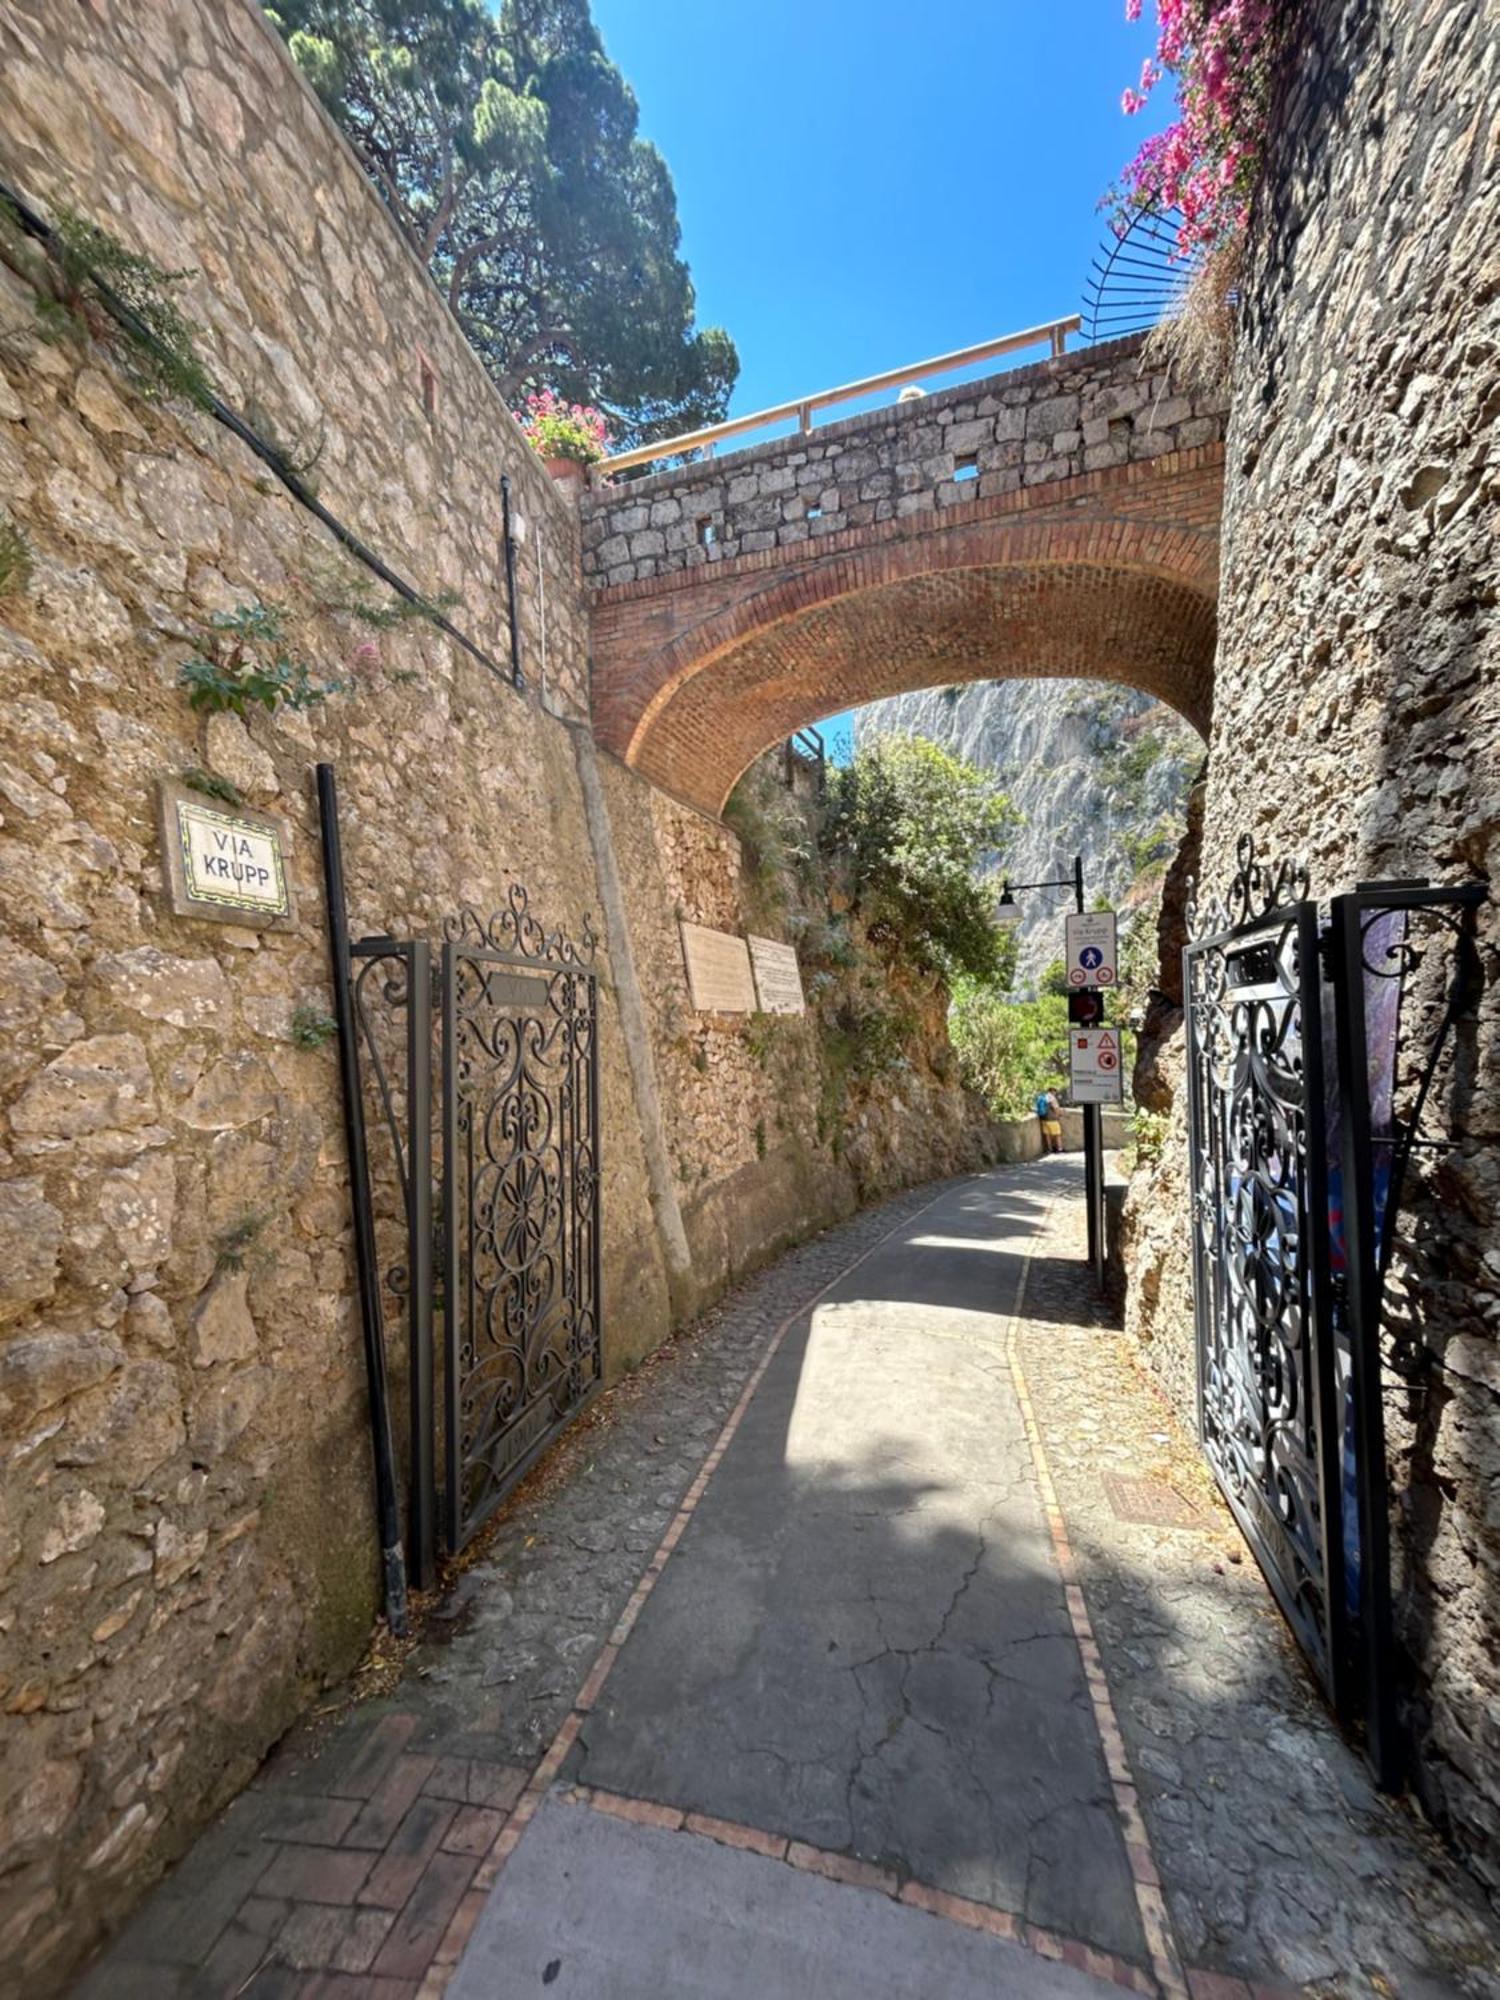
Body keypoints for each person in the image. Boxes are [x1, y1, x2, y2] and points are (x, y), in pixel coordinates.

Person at [1041, 1088, 1063, 1155]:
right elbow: (1055, 1108)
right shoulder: (1052, 1098)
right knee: (1057, 1134)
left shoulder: (1044, 1097)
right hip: (1052, 1119)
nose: (1055, 1092)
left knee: (1047, 1135)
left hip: (1044, 1119)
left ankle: (1049, 1149)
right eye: (1055, 1091)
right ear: (1052, 1091)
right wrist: (1059, 1114)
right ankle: (1059, 1148)